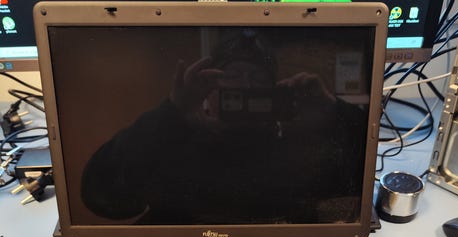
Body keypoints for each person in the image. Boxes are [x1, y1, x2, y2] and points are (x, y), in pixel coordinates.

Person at [81, 29, 367, 225]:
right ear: (209, 89)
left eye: (257, 79)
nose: (245, 86)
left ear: (274, 93)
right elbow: (103, 198)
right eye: (232, 76)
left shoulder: (298, 150)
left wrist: (332, 112)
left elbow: (362, 182)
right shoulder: (175, 144)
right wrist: (172, 114)